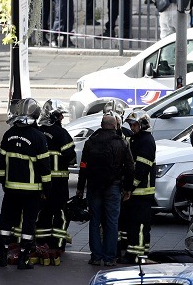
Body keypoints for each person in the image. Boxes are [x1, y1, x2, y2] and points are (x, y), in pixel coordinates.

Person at [0, 98, 51, 270]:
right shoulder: (39, 138)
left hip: (10, 189)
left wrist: (3, 180)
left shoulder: (8, 135)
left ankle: (1, 255)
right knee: (28, 223)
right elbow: (44, 167)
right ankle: (24, 259)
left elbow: (1, 160)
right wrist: (47, 189)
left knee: (6, 221)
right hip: (32, 191)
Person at [76, 113, 135, 266]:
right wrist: (128, 189)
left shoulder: (90, 142)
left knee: (94, 221)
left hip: (94, 187)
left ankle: (95, 257)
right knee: (112, 222)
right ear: (115, 126)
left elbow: (83, 166)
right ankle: (109, 258)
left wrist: (80, 188)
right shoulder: (121, 143)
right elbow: (130, 167)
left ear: (101, 125)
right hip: (113, 187)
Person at [35, 99, 76, 253]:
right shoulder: (62, 134)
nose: (62, 119)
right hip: (59, 183)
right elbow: (71, 157)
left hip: (40, 182)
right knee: (60, 213)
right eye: (59, 115)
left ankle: (41, 242)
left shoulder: (37, 132)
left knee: (43, 213)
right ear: (53, 116)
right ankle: (58, 244)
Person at [118, 111, 156, 264]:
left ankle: (137, 256)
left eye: (134, 124)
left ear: (143, 125)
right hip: (135, 193)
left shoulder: (146, 141)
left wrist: (129, 188)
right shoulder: (136, 139)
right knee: (131, 225)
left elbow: (141, 169)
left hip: (142, 192)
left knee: (139, 226)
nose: (131, 127)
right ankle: (131, 252)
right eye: (130, 125)